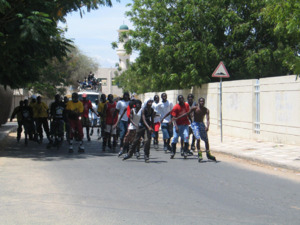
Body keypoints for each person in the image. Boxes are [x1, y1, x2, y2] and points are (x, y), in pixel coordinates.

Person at [123, 98, 155, 163]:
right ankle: (129, 154)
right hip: (141, 126)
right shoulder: (143, 110)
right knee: (135, 140)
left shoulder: (151, 110)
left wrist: (152, 127)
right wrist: (149, 127)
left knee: (147, 141)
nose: (150, 103)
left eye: (151, 102)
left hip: (147, 127)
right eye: (149, 102)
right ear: (146, 103)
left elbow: (152, 119)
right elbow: (143, 119)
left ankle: (146, 156)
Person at [189, 97, 216, 162]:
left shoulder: (206, 110)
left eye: (203, 101)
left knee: (206, 140)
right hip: (195, 124)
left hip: (201, 124)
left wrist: (207, 126)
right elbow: (187, 114)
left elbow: (208, 119)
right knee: (198, 138)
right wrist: (190, 121)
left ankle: (208, 153)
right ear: (198, 102)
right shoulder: (194, 108)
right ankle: (199, 153)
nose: (202, 103)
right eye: (201, 101)